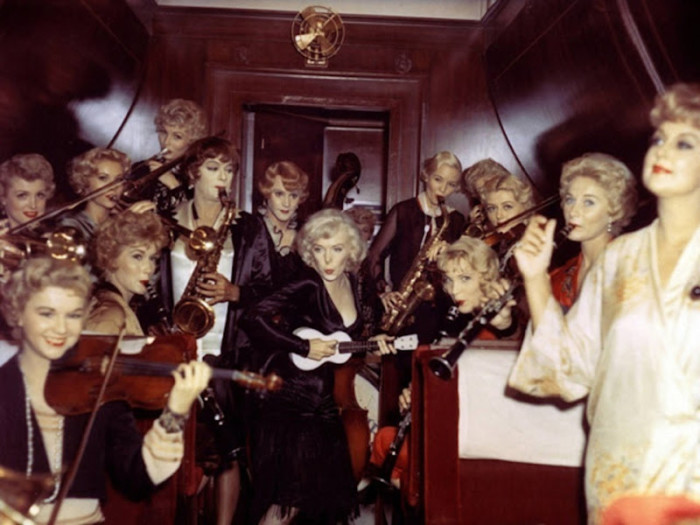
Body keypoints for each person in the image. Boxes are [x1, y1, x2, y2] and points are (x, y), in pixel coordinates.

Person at [510, 82, 700, 523]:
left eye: (684, 143)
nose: (662, 150)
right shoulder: (619, 260)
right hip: (618, 477)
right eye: (659, 138)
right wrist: (536, 278)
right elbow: (569, 367)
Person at [0, 256, 210, 524]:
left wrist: (175, 412)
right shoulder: (4, 388)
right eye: (46, 313)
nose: (61, 328)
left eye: (73, 315)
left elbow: (137, 480)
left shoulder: (99, 385)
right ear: (18, 313)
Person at [241, 208, 393, 525]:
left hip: (324, 404)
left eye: (336, 249)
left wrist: (373, 341)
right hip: (291, 401)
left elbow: (345, 341)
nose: (327, 259)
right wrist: (302, 346)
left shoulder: (352, 281)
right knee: (286, 504)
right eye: (320, 249)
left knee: (320, 503)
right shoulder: (307, 282)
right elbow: (252, 317)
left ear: (351, 250)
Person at [159, 136, 273, 525]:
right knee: (176, 444)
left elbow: (272, 290)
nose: (223, 177)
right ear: (193, 173)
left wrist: (235, 292)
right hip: (175, 345)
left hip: (228, 352)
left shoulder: (247, 226)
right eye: (213, 168)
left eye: (228, 170)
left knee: (228, 450)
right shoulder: (165, 220)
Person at [369, 235, 517, 489]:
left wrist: (504, 322)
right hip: (453, 424)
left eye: (465, 278)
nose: (454, 290)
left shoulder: (492, 322)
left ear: (487, 279)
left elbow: (509, 329)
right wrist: (418, 394)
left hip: (478, 434)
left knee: (388, 444)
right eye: (449, 280)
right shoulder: (452, 317)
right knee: (387, 441)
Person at [367, 151, 466, 344]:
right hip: (402, 306)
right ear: (425, 175)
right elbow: (374, 255)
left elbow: (465, 268)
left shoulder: (456, 220)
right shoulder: (403, 211)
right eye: (438, 179)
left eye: (451, 184)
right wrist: (384, 291)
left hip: (440, 311)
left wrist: (450, 252)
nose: (443, 189)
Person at [550, 153, 637, 309]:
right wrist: (507, 321)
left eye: (588, 202)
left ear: (614, 212)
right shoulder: (558, 278)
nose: (573, 211)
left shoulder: (629, 269)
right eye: (570, 200)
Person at [87, 210, 169, 336]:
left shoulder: (117, 306)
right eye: (137, 256)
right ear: (112, 258)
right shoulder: (111, 314)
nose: (148, 268)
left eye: (152, 258)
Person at [127, 98, 208, 217]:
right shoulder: (141, 168)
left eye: (177, 136)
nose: (166, 142)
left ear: (192, 142)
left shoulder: (198, 175)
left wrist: (173, 184)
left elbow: (195, 218)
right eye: (164, 132)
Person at [58, 147, 154, 244]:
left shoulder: (118, 218)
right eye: (103, 178)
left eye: (118, 180)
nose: (114, 187)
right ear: (85, 182)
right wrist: (121, 225)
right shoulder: (71, 224)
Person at [256, 160, 309, 286]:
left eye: (293, 196)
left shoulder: (307, 235)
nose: (286, 203)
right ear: (267, 194)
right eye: (279, 194)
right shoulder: (252, 232)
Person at [461, 158, 511, 235]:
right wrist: (474, 226)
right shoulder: (484, 220)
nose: (487, 194)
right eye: (481, 191)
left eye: (491, 186)